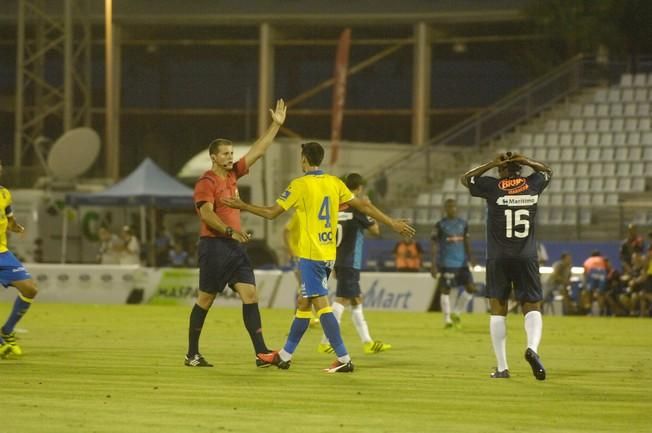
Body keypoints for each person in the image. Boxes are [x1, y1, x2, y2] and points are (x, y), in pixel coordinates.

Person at [223, 141, 415, 373]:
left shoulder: (300, 185)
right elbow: (363, 205)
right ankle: (284, 356)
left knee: (321, 306)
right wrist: (392, 222)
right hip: (328, 254)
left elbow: (272, 213)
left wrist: (243, 205)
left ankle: (344, 358)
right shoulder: (334, 183)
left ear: (303, 159)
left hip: (312, 256)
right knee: (304, 304)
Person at [185, 98, 286, 368]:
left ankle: (261, 353)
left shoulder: (232, 176)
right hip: (215, 247)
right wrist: (231, 231)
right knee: (206, 299)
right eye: (226, 154)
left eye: (232, 153)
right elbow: (206, 214)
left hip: (234, 247)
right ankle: (192, 354)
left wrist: (275, 126)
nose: (231, 157)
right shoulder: (206, 182)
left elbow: (258, 151)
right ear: (214, 157)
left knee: (250, 295)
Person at [461, 151, 552, 380]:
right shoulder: (533, 184)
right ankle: (532, 348)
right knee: (532, 305)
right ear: (519, 169)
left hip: (498, 257)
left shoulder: (493, 187)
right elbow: (547, 171)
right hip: (526, 256)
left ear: (501, 170)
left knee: (498, 309)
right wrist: (527, 161)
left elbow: (466, 179)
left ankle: (502, 368)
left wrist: (491, 163)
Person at [317, 173, 391, 355]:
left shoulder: (336, 208)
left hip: (338, 258)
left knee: (356, 299)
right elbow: (375, 230)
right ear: (359, 188)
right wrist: (369, 207)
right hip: (351, 261)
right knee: (342, 300)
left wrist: (333, 264)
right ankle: (325, 341)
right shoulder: (357, 209)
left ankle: (368, 342)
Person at [0, 159, 39, 358]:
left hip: (2, 253)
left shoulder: (5, 194)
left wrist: (16, 227)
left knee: (30, 289)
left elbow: (9, 218)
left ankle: (6, 331)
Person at [430, 198, 476, 329]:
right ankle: (447, 319)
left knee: (471, 288)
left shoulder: (463, 224)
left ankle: (456, 313)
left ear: (457, 208)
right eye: (449, 207)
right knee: (445, 290)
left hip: (462, 263)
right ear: (445, 209)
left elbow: (467, 241)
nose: (452, 209)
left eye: (454, 206)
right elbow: (434, 244)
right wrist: (433, 264)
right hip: (446, 263)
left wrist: (471, 257)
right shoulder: (440, 225)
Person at [582, 250, 608, 315]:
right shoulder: (602, 259)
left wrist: (586, 284)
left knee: (589, 293)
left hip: (592, 272)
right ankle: (601, 311)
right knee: (600, 293)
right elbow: (607, 268)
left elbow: (585, 273)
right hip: (602, 272)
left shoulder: (587, 260)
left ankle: (589, 311)